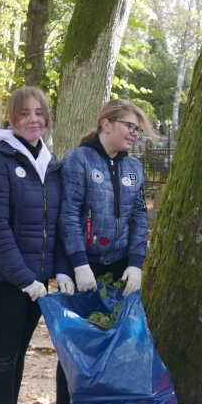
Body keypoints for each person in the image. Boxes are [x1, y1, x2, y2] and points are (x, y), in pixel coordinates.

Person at [0, 86, 76, 404]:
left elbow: (57, 224)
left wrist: (60, 271)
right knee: (3, 359)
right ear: (11, 118)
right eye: (24, 113)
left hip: (36, 283)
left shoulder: (50, 164)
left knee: (18, 355)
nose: (33, 119)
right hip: (5, 282)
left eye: (39, 113)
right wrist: (23, 278)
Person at [60, 99, 150, 296]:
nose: (135, 133)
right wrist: (80, 264)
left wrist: (136, 263)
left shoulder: (134, 167)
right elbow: (69, 214)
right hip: (85, 266)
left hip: (122, 267)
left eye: (137, 129)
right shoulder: (78, 159)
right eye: (129, 126)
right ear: (106, 125)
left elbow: (140, 217)